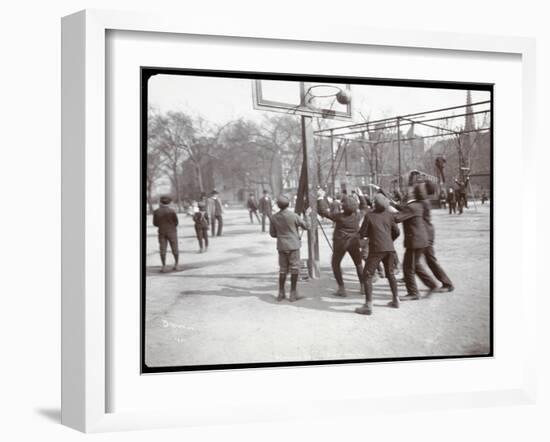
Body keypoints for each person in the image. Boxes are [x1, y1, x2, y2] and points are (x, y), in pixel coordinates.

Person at [356, 194, 401, 315]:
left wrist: (362, 236)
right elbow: (397, 232)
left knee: (367, 275)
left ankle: (368, 305)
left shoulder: (369, 216)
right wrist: (389, 240)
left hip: (377, 248)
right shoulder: (389, 215)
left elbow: (363, 233)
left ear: (374, 204)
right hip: (390, 248)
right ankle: (396, 299)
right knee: (390, 273)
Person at [392, 184, 438, 300]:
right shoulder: (419, 205)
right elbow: (404, 210)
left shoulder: (411, 207)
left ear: (415, 194)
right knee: (416, 265)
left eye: (412, 192)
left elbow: (397, 218)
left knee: (408, 267)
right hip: (422, 240)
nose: (409, 193)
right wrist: (391, 204)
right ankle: (432, 285)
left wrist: (386, 211)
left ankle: (413, 293)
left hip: (415, 241)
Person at [318, 193, 364, 297]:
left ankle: (341, 288)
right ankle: (363, 286)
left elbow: (323, 211)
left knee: (335, 264)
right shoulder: (357, 216)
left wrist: (320, 197)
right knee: (358, 264)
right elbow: (364, 207)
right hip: (354, 243)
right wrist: (360, 196)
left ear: (343, 207)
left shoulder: (339, 217)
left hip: (340, 243)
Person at [269, 195, 309, 302]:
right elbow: (307, 226)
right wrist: (307, 216)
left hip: (282, 246)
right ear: (289, 204)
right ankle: (293, 293)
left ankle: (281, 293)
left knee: (282, 270)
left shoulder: (273, 217)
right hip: (294, 245)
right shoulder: (294, 216)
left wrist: (282, 235)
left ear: (278, 205)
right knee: (294, 268)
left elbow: (272, 234)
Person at [418, 182, 455, 293]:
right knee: (428, 260)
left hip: (426, 234)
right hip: (427, 233)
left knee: (424, 261)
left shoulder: (423, 202)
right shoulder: (424, 201)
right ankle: (444, 283)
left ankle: (445, 284)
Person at [152, 195, 179, 273]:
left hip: (162, 232)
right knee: (175, 248)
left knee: (162, 249)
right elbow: (176, 222)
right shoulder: (172, 211)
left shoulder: (156, 211)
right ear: (169, 203)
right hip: (172, 232)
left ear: (161, 202)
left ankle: (163, 266)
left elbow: (155, 223)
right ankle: (176, 264)